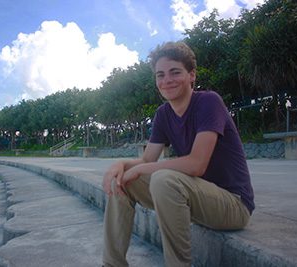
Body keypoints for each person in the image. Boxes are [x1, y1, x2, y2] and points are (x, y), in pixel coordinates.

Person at [102, 42, 255, 267]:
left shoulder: (208, 102)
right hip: (196, 197)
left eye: (175, 72)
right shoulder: (163, 114)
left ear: (192, 75)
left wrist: (142, 169)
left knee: (165, 179)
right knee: (121, 181)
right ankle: (112, 264)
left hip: (233, 205)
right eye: (160, 75)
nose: (167, 80)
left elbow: (196, 164)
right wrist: (120, 164)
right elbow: (147, 159)